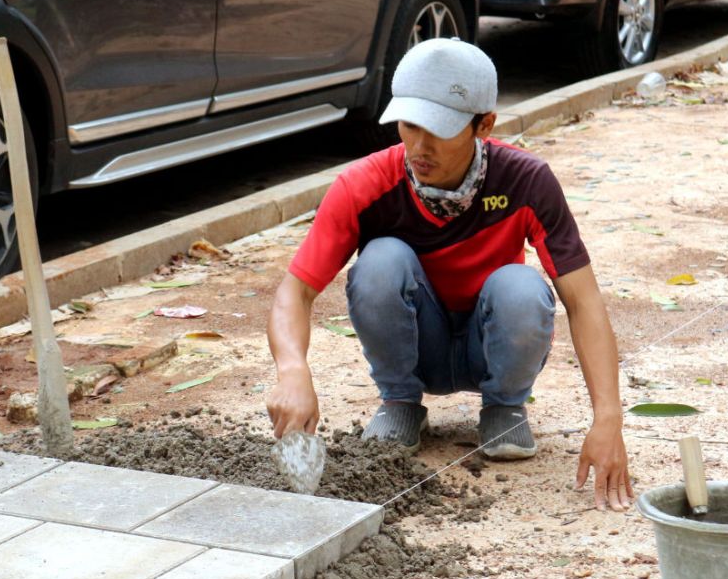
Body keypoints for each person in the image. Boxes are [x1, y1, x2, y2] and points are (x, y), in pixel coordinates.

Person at [265, 38, 632, 512]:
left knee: (522, 287)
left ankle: (503, 407)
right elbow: (294, 292)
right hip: (420, 345)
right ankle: (400, 403)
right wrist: (293, 369)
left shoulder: (527, 181)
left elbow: (584, 302)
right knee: (379, 260)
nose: (419, 145)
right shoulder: (363, 185)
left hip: (492, 346)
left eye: (439, 129)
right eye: (409, 124)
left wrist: (608, 418)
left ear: (485, 123)